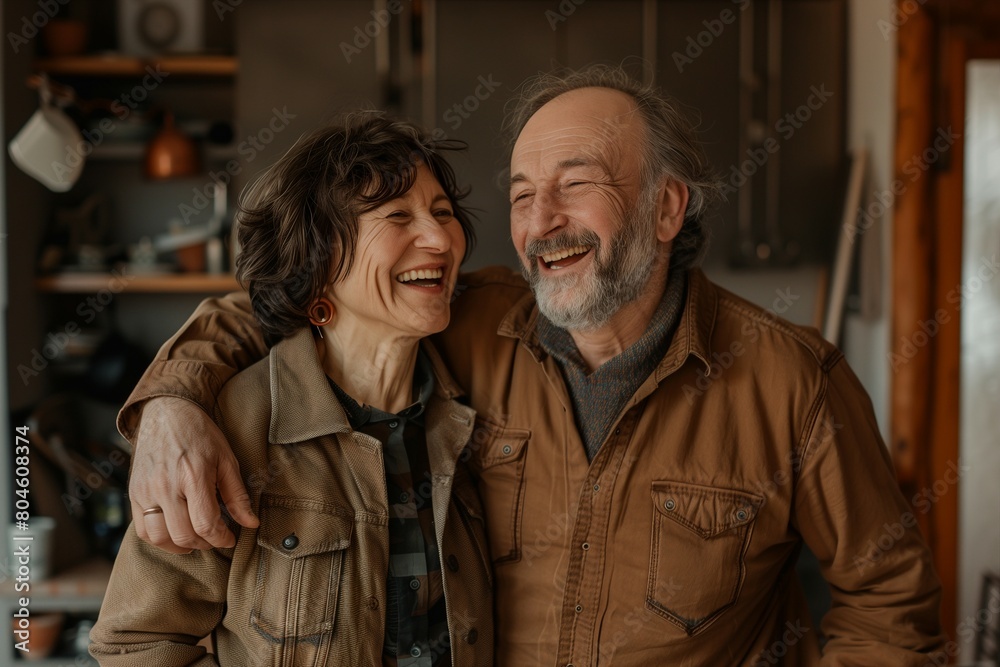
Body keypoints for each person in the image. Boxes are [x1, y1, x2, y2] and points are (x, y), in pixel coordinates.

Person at [114, 66, 946, 665]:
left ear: (666, 205)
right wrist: (171, 402)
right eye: (518, 193)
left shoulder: (792, 381)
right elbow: (292, 298)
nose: (541, 220)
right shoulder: (469, 324)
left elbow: (891, 608)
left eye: (574, 183)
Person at [89, 114, 494, 666]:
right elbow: (134, 646)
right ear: (320, 258)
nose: (439, 237)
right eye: (398, 215)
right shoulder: (237, 426)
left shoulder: (474, 405)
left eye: (443, 213)